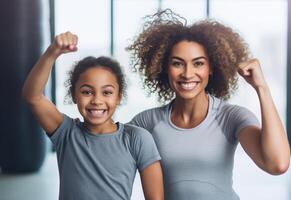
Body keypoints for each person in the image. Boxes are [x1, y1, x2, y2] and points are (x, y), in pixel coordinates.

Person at [126, 9, 290, 200]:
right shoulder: (147, 122)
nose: (187, 74)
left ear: (211, 67)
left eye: (198, 64)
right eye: (178, 63)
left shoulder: (231, 117)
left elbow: (277, 164)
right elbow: (103, 154)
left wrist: (262, 88)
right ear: (164, 67)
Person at [22, 31, 164, 200]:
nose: (97, 100)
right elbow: (33, 96)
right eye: (87, 92)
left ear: (119, 96)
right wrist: (52, 52)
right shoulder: (66, 132)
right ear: (74, 95)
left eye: (107, 92)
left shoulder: (137, 139)